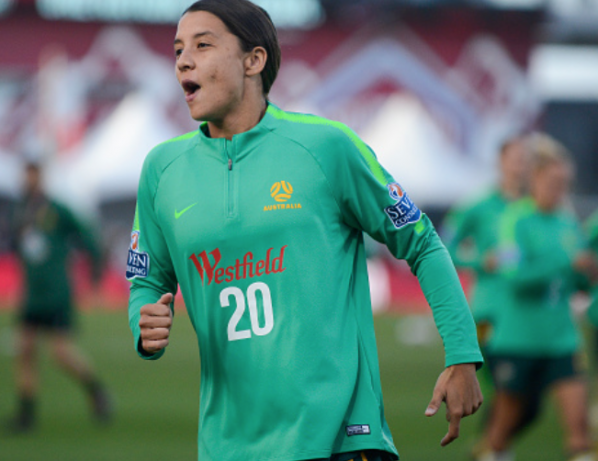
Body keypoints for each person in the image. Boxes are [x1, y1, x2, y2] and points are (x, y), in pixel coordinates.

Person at [127, 1, 483, 460]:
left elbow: (422, 241)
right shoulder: (162, 170)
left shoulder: (327, 147)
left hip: (343, 440)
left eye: (203, 45)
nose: (183, 60)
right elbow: (148, 280)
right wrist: (145, 322)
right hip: (229, 446)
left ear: (254, 60)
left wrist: (461, 353)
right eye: (178, 50)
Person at [480, 134, 596, 461]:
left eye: (565, 182)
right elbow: (515, 278)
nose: (560, 188)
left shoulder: (569, 222)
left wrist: (585, 275)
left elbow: (574, 286)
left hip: (562, 338)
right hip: (519, 339)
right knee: (502, 433)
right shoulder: (513, 220)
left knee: (579, 432)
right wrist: (563, 263)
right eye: (554, 180)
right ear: (535, 179)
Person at [8, 162, 112, 432]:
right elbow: (18, 247)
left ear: (40, 177)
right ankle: (26, 414)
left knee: (60, 353)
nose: (29, 179)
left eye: (33, 174)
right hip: (32, 293)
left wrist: (95, 274)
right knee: (25, 349)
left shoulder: (57, 209)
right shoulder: (19, 210)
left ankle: (95, 390)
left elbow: (88, 237)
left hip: (56, 292)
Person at [441, 137, 529, 456]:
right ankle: (494, 448)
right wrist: (481, 260)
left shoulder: (536, 207)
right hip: (490, 314)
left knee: (524, 394)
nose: (523, 165)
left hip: (529, 317)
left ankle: (490, 445)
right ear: (501, 162)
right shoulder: (478, 206)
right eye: (517, 157)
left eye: (527, 158)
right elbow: (445, 247)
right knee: (506, 386)